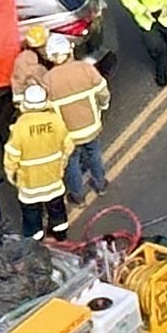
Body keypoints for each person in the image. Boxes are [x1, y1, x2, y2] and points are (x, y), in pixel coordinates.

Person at [43, 32, 110, 209]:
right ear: (70, 50)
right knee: (94, 155)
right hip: (91, 127)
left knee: (71, 164)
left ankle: (78, 197)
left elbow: (47, 110)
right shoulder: (85, 69)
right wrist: (102, 107)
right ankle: (101, 185)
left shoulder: (48, 80)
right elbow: (103, 92)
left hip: (67, 134)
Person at [4, 83, 72, 238]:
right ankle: (61, 235)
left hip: (30, 184)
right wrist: (61, 163)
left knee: (31, 216)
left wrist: (12, 174)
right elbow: (68, 146)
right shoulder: (56, 120)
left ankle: (36, 240)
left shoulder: (20, 126)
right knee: (57, 211)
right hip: (53, 179)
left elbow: (11, 155)